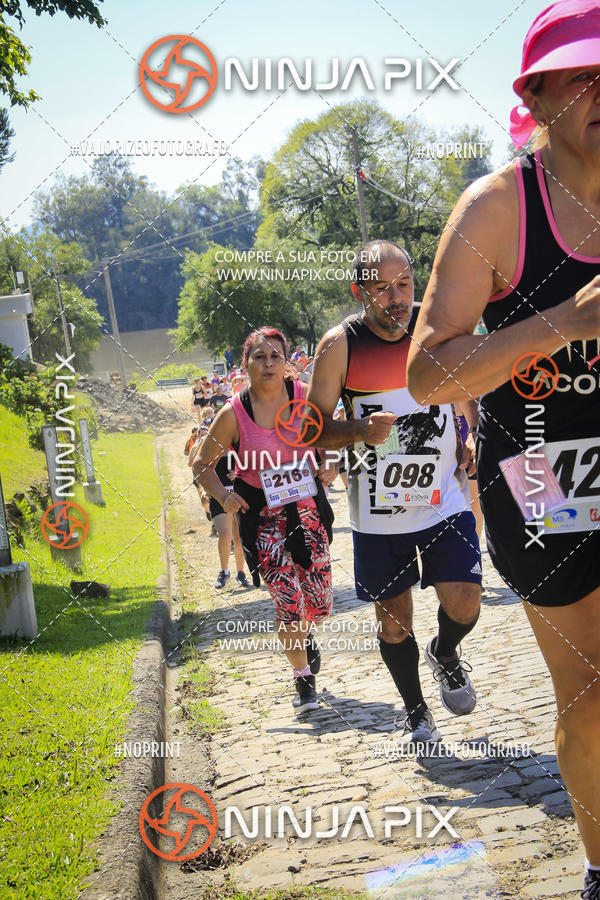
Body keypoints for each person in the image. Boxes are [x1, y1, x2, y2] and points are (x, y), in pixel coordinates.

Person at [406, 3, 600, 893]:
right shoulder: (496, 209)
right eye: (583, 75)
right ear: (538, 93)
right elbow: (429, 376)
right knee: (593, 695)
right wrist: (561, 323)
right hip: (544, 482)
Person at [307, 239, 482, 743]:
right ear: (360, 291)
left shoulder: (435, 326)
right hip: (379, 512)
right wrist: (359, 432)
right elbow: (311, 427)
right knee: (394, 622)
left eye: (404, 284)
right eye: (382, 288)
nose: (397, 297)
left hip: (443, 498)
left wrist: (466, 437)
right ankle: (416, 712)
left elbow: (462, 390)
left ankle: (446, 651)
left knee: (467, 600)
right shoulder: (340, 344)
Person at [193, 326, 336, 714]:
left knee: (319, 604)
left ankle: (306, 635)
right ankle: (304, 680)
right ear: (247, 364)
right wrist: (223, 494)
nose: (269, 363)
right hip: (264, 520)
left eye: (275, 355)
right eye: (260, 356)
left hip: (307, 514)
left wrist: (331, 464)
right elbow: (201, 463)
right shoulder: (234, 413)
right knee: (288, 603)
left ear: (286, 361)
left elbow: (332, 438)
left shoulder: (305, 397)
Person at [188, 418, 249, 588]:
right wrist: (202, 491)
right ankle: (224, 572)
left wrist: (238, 473)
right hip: (218, 497)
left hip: (237, 495)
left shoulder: (238, 444)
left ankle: (241, 573)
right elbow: (199, 470)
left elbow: (251, 467)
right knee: (224, 534)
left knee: (239, 538)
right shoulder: (208, 448)